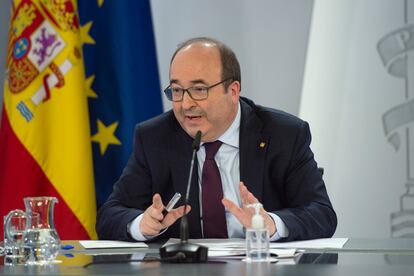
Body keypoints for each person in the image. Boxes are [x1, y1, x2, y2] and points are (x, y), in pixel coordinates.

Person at [96, 37, 337, 242]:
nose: (186, 104)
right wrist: (142, 225)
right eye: (177, 90)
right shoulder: (155, 137)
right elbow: (109, 215)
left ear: (232, 91)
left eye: (199, 89)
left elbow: (322, 214)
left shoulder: (283, 134)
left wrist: (271, 224)